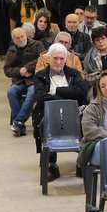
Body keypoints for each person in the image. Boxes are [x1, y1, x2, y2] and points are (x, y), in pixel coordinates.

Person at [31, 44, 88, 179]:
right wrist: (67, 96)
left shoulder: (74, 74)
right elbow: (40, 97)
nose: (58, 62)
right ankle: (51, 164)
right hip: (49, 113)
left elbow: (82, 92)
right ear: (49, 59)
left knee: (86, 123)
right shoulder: (40, 76)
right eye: (55, 58)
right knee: (45, 123)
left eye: (62, 59)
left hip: (74, 113)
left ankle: (82, 162)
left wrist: (57, 91)